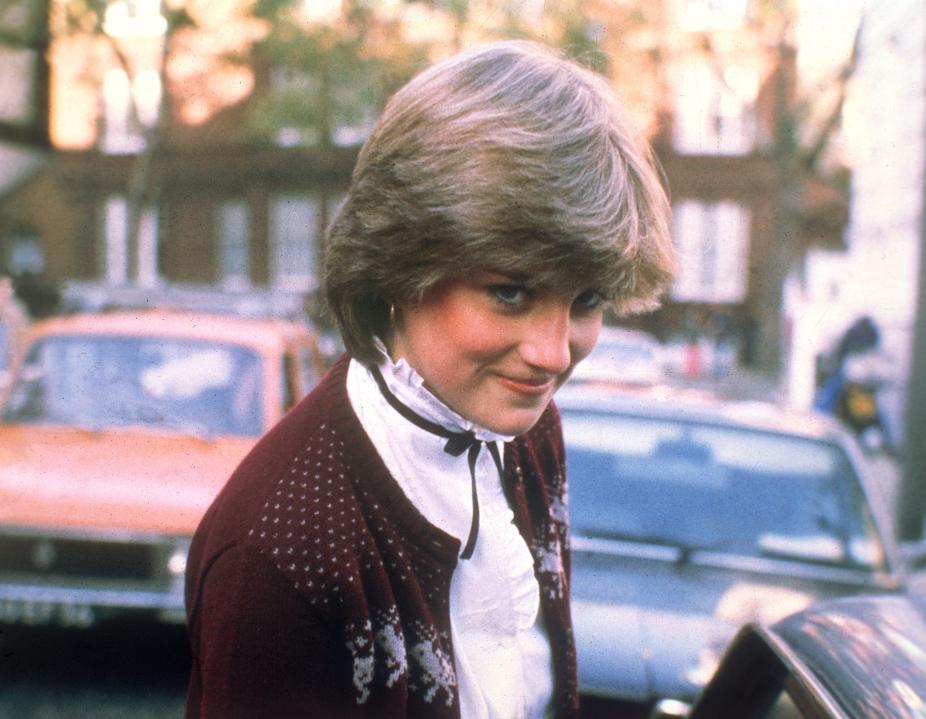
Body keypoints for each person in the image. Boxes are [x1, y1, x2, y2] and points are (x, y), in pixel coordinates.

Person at [184, 40, 675, 719]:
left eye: (586, 300)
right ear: (400, 265)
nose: (555, 352)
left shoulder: (527, 430)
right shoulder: (276, 552)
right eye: (511, 292)